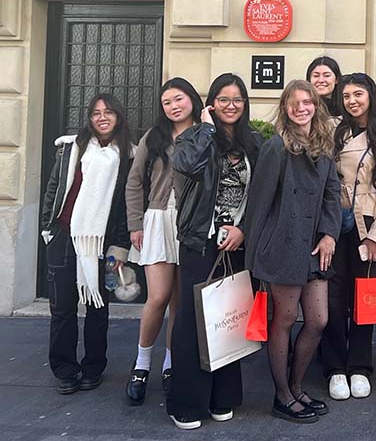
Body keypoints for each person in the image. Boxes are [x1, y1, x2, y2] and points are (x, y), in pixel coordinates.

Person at [166, 73, 263, 430]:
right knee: (193, 321)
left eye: (237, 99)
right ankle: (187, 402)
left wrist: (245, 230)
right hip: (199, 241)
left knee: (229, 318)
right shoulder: (194, 137)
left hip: (237, 244)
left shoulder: (255, 141)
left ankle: (223, 397)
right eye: (223, 99)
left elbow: (264, 195)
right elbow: (187, 166)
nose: (231, 106)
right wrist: (206, 129)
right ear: (211, 103)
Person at [245, 80, 342, 423]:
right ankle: (282, 395)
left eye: (308, 102)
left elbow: (333, 194)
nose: (301, 108)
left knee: (318, 320)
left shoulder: (324, 146)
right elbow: (259, 202)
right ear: (285, 109)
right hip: (282, 246)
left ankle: (297, 387)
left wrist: (330, 233)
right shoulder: (276, 147)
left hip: (315, 248)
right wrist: (254, 259)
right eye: (294, 103)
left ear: (317, 106)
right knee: (283, 320)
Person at [41, 93, 133, 395]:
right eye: (95, 113)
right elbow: (54, 188)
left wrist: (119, 246)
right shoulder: (72, 148)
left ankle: (94, 366)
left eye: (108, 112)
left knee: (98, 306)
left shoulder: (127, 156)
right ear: (89, 119)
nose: (102, 117)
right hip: (65, 235)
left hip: (102, 241)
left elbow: (124, 205)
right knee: (62, 308)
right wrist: (48, 228)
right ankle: (65, 370)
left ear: (118, 117)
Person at [320, 72, 376, 401]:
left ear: (371, 96)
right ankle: (335, 367)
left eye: (359, 94)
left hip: (367, 223)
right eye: (348, 95)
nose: (353, 101)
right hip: (331, 221)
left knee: (366, 298)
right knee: (332, 297)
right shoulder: (331, 130)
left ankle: (360, 366)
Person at [125, 78, 202, 405]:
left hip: (189, 223)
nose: (173, 106)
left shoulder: (203, 134)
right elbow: (134, 182)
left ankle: (171, 365)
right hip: (156, 221)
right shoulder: (152, 137)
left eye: (179, 99)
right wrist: (135, 224)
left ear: (191, 100)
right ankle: (142, 364)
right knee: (157, 297)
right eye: (167, 101)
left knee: (180, 303)